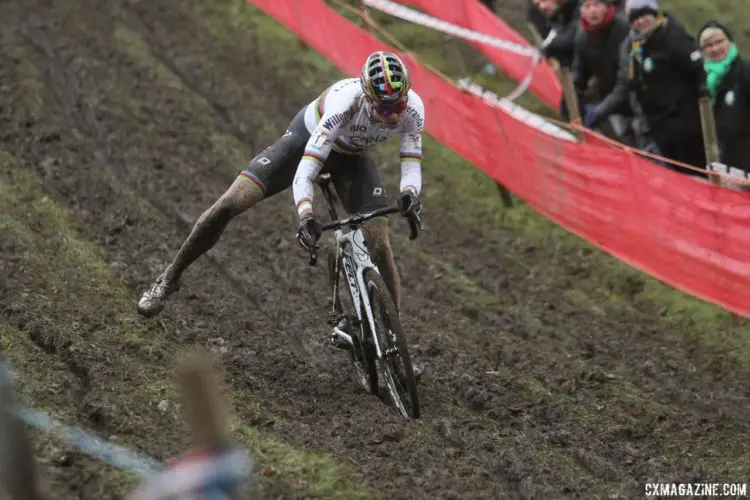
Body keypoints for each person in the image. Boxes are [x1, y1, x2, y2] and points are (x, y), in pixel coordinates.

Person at [137, 52, 425, 330]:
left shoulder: (412, 109)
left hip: (353, 156)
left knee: (379, 242)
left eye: (398, 107)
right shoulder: (344, 105)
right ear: (366, 97)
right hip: (304, 143)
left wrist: (411, 193)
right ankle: (169, 278)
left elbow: (411, 160)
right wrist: (306, 213)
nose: (394, 117)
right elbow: (307, 170)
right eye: (385, 109)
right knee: (230, 203)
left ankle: (394, 338)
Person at [584, 0, 707, 176]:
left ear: (653, 14)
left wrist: (702, 99)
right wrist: (600, 111)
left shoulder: (671, 34)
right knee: (677, 176)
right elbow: (624, 84)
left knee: (697, 171)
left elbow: (697, 70)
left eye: (644, 15)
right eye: (635, 18)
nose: (640, 22)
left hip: (686, 123)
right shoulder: (630, 47)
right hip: (657, 127)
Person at [573, 0, 633, 141]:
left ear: (607, 7)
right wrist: (572, 101)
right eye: (587, 6)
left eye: (597, 5)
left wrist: (601, 109)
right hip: (611, 102)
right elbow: (579, 72)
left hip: (634, 100)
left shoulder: (624, 30)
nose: (592, 11)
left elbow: (626, 80)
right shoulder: (582, 37)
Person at [698, 21, 750, 175]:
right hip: (724, 163)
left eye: (719, 41)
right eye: (708, 45)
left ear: (730, 42)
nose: (715, 48)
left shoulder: (744, 72)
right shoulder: (702, 81)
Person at [536, 0, 581, 120]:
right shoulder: (556, 19)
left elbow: (571, 40)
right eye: (537, 4)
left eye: (543, 1)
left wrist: (549, 48)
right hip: (570, 85)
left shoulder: (578, 12)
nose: (541, 7)